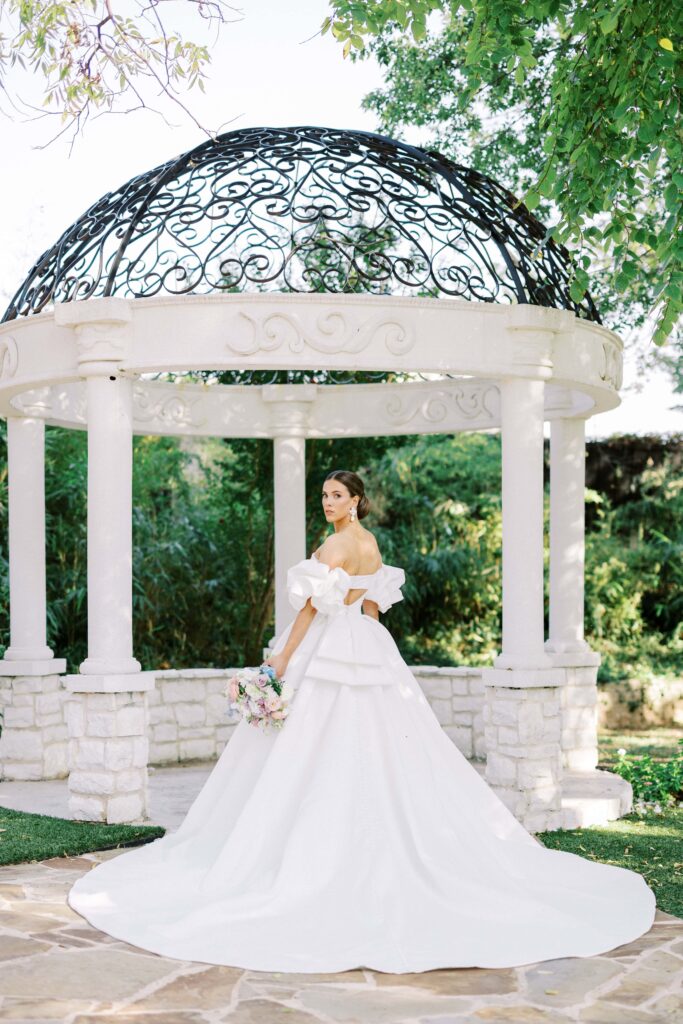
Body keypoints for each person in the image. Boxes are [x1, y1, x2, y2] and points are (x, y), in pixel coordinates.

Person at [66, 469, 656, 973]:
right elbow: (372, 610)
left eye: (336, 496)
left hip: (328, 646)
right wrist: (371, 651)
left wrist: (280, 660)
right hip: (367, 645)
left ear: (356, 501)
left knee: (310, 745)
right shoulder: (372, 547)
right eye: (323, 496)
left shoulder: (333, 550)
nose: (328, 503)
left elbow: (304, 611)